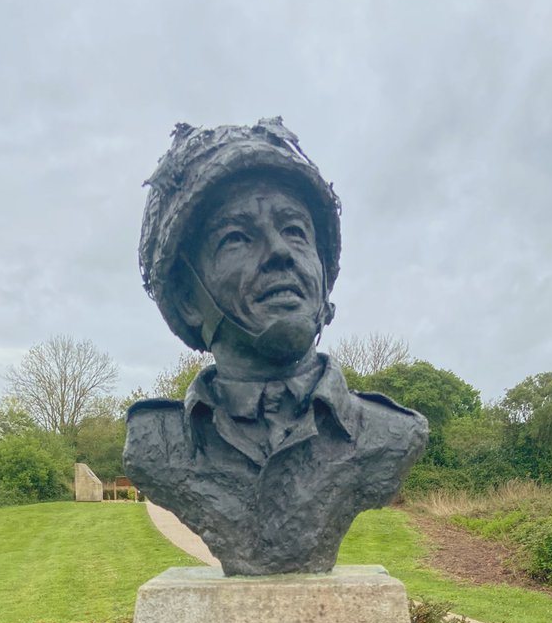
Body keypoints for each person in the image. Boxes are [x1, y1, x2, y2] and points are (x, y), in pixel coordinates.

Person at [126, 118, 428, 576]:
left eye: (295, 230)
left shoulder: (391, 434)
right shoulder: (154, 442)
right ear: (188, 299)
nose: (280, 252)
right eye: (237, 238)